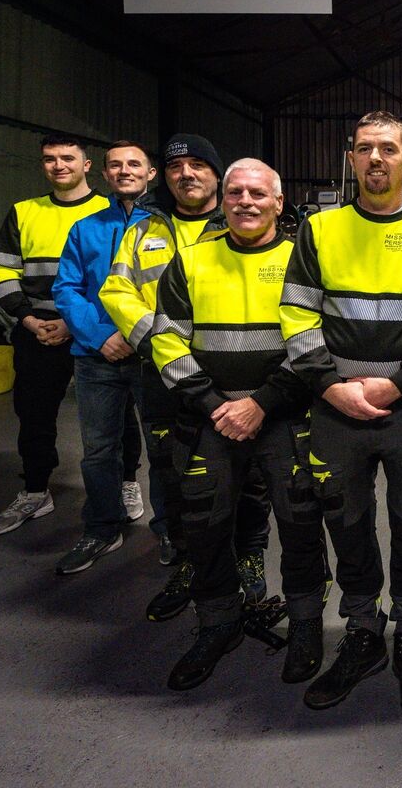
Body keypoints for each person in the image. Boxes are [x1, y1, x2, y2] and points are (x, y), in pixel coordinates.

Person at [280, 111, 402, 716]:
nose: (375, 159)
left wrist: (395, 386)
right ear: (351, 160)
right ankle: (363, 635)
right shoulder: (320, 230)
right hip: (334, 414)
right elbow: (297, 316)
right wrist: (332, 389)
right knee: (348, 529)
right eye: (364, 149)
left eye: (388, 149)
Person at [150, 158, 330, 691]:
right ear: (223, 200)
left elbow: (315, 342)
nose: (246, 201)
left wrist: (262, 403)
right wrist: (214, 404)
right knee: (204, 527)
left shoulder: (303, 263)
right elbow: (166, 338)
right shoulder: (190, 261)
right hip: (210, 420)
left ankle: (305, 625)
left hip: (284, 419)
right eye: (235, 192)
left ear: (279, 203)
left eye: (258, 193)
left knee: (300, 528)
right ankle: (218, 622)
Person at [101, 134, 277, 620]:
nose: (188, 174)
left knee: (253, 475)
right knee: (172, 471)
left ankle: (248, 553)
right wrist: (158, 344)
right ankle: (189, 561)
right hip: (169, 376)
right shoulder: (144, 230)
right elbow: (118, 291)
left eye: (199, 164)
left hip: (235, 376)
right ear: (167, 177)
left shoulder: (240, 222)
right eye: (178, 166)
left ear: (217, 176)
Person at [0, 135, 144, 537]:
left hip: (99, 328)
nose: (59, 166)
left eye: (68, 158)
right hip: (38, 328)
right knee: (34, 411)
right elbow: (1, 271)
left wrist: (76, 324)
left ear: (89, 166)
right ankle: (35, 490)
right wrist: (26, 318)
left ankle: (126, 483)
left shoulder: (114, 211)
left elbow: (120, 280)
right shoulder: (24, 212)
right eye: (50, 159)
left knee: (119, 415)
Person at [52, 141, 157, 573]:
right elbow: (66, 288)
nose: (125, 171)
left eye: (134, 164)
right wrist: (100, 337)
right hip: (97, 358)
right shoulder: (85, 228)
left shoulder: (166, 228)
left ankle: (170, 530)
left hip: (153, 354)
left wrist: (141, 336)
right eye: (116, 165)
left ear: (151, 173)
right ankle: (101, 528)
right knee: (98, 450)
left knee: (164, 446)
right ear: (105, 174)